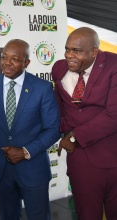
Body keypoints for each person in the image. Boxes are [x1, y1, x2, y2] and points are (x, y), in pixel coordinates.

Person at [0, 39, 60, 220]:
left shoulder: (42, 88)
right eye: (4, 57)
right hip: (1, 171)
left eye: (14, 59)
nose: (7, 63)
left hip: (33, 169)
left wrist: (25, 151)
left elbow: (53, 129)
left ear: (26, 63)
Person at [51, 27, 117, 220]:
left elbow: (114, 114)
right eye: (67, 49)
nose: (69, 55)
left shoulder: (114, 66)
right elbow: (59, 106)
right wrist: (62, 130)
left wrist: (74, 136)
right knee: (86, 215)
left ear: (94, 52)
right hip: (80, 159)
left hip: (112, 156)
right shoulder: (59, 68)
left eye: (76, 51)